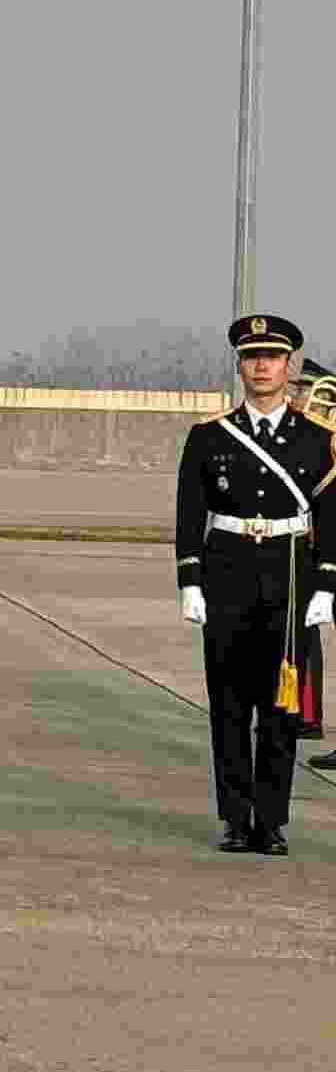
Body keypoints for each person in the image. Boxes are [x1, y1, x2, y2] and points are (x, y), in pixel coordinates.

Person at [176, 312, 333, 854]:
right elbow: (189, 514)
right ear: (240, 366)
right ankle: (235, 820)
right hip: (226, 576)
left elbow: (331, 519)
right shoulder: (208, 436)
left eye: (272, 357)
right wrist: (190, 582)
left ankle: (271, 822)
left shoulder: (320, 439)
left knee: (280, 709)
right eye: (251, 357)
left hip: (290, 578)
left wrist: (327, 586)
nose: (261, 366)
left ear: (289, 365)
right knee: (228, 706)